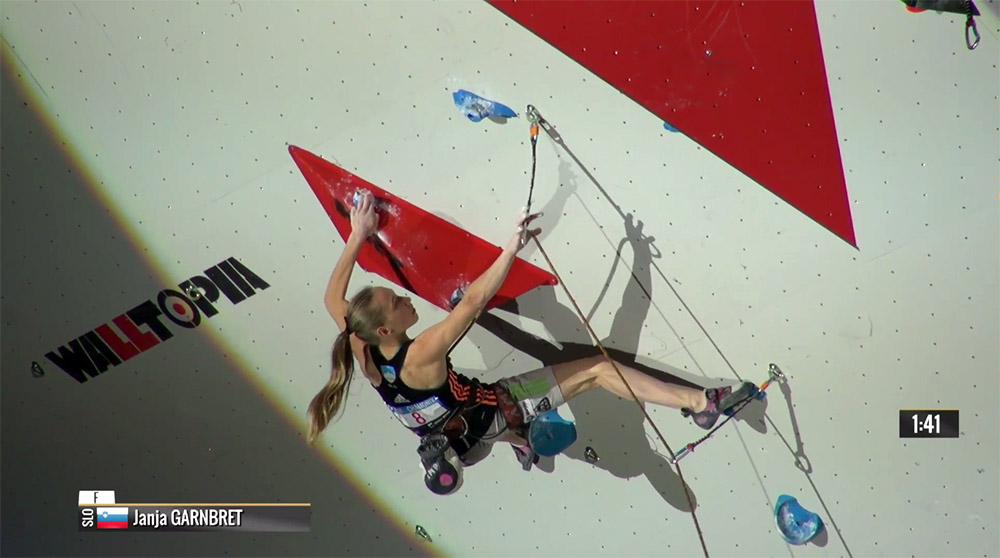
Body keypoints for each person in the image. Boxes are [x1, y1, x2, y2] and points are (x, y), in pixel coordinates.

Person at [307, 191, 754, 475]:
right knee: (598, 368)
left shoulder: (361, 350)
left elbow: (333, 301)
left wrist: (357, 234)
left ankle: (522, 444)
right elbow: (473, 303)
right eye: (398, 302)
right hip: (495, 416)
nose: (407, 300)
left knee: (469, 403)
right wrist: (511, 248)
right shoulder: (422, 352)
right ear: (385, 327)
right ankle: (699, 404)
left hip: (458, 444)